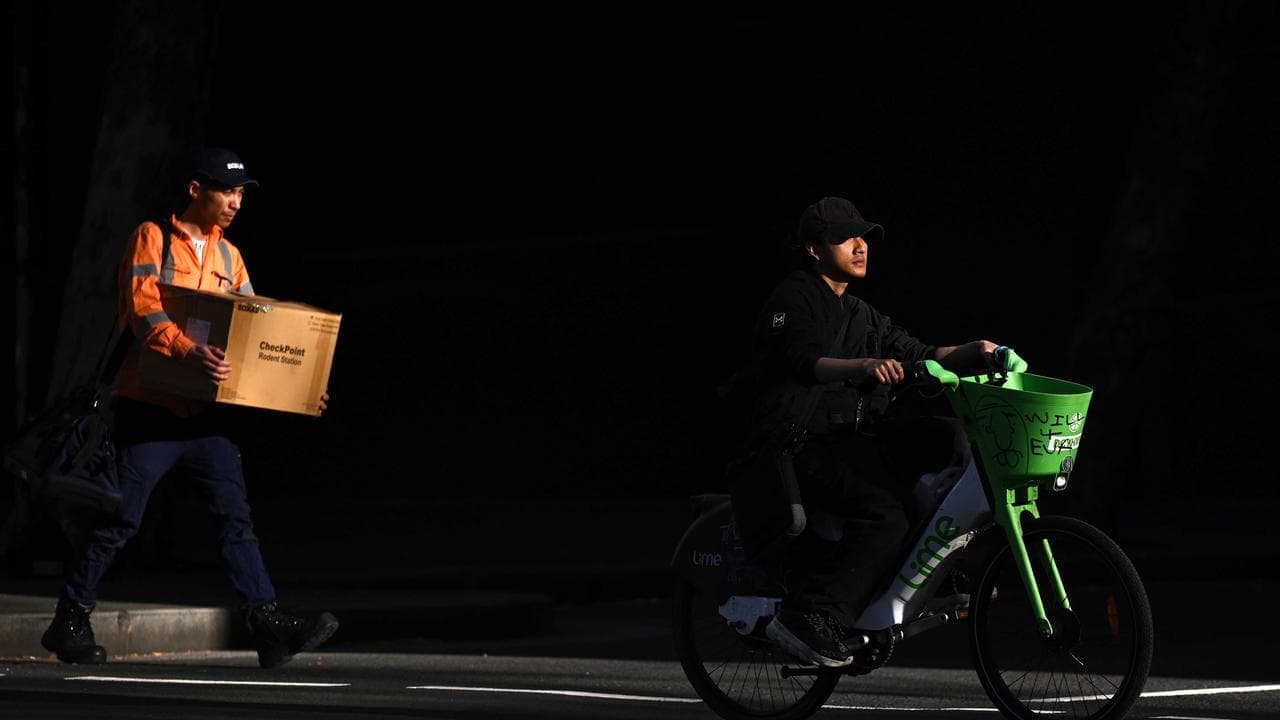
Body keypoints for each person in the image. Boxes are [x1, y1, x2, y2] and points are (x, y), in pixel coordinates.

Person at [40, 147, 339, 668]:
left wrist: (299, 388)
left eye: (242, 193)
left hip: (207, 418)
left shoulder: (232, 257)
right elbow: (140, 308)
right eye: (227, 191)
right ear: (196, 190)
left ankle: (266, 624)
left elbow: (256, 331)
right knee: (121, 519)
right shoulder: (152, 237)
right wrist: (185, 349)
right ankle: (70, 618)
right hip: (150, 410)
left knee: (235, 519)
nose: (236, 202)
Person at [734, 196, 1013, 668]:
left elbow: (919, 349)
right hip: (800, 442)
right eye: (845, 237)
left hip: (853, 438)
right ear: (814, 250)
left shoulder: (862, 313)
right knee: (887, 512)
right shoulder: (793, 298)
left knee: (949, 441)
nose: (860, 245)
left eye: (863, 235)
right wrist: (863, 365)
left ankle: (925, 569)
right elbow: (800, 361)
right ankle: (811, 616)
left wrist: (976, 349)